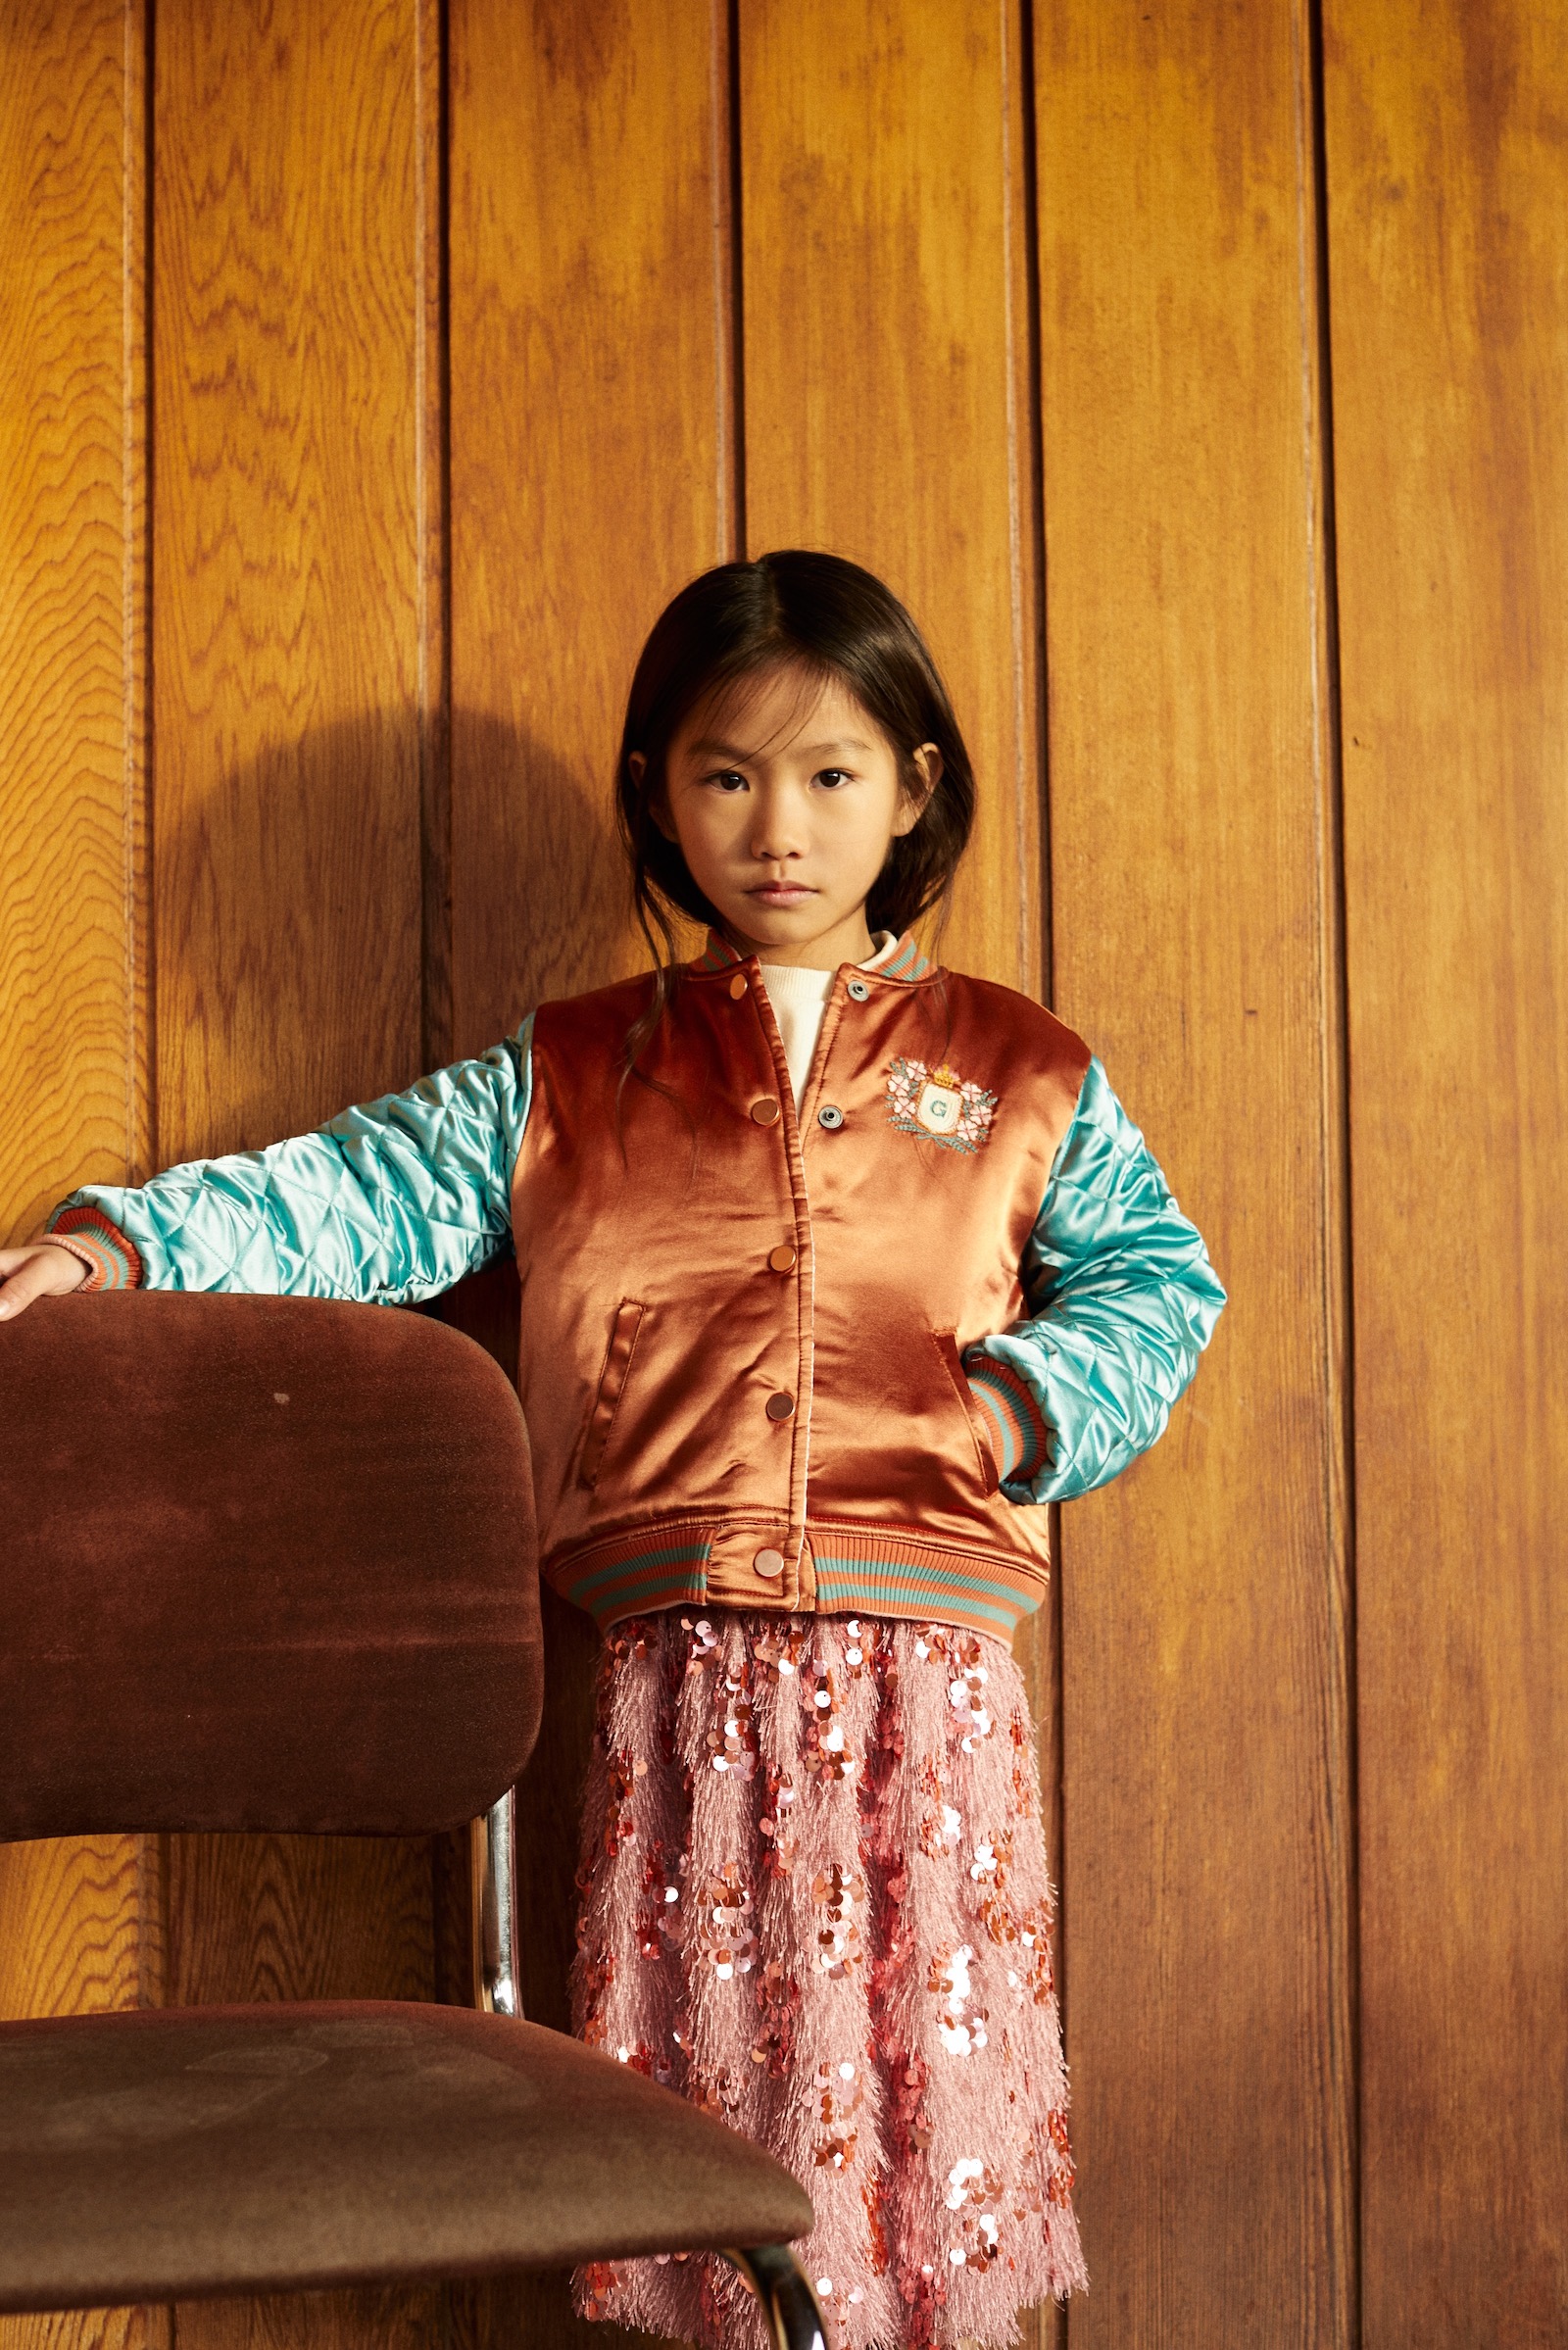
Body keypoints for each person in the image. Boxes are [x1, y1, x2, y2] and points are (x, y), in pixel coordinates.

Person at [1, 552, 1224, 2350]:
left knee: (912, 2109)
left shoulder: (1021, 1070)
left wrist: (1011, 1410)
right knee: (714, 2117)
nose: (779, 827)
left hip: (927, 1678)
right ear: (661, 792)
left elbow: (1158, 1282)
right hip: (680, 1675)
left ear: (913, 788)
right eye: (727, 774)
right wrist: (123, 1240)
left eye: (830, 774)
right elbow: (356, 1190)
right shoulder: (575, 1071)